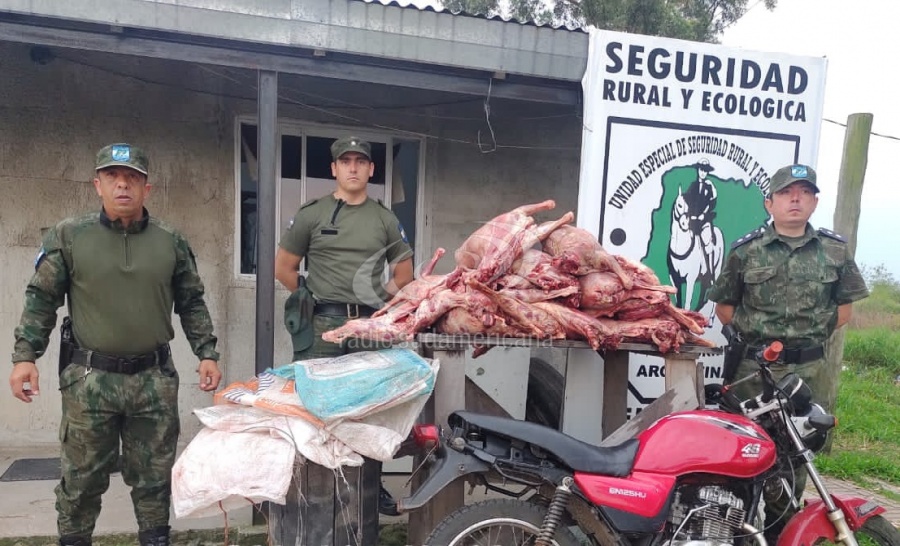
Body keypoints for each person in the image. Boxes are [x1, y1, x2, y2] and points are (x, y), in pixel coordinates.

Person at [8, 143, 223, 546]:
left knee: (154, 479)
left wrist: (206, 352)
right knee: (81, 480)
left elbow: (192, 301)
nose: (122, 184)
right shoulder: (69, 236)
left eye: (133, 178)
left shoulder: (171, 241)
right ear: (97, 184)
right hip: (90, 382)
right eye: (112, 176)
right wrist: (25, 357)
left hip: (153, 381)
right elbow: (41, 299)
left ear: (148, 189)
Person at [708, 163, 869, 542]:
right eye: (785, 192)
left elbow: (843, 310)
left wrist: (801, 342)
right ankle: (738, 533)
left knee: (797, 458)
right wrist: (764, 344)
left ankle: (783, 534)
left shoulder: (834, 250)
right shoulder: (745, 251)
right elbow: (725, 308)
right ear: (770, 202)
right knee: (746, 451)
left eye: (803, 192)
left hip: (807, 371)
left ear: (814, 201)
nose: (795, 198)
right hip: (752, 370)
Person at [274, 135, 414, 516]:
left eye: (360, 161)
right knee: (317, 408)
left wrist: (380, 303)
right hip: (321, 325)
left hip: (368, 325)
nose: (353, 167)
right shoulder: (312, 214)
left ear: (371, 169)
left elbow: (404, 273)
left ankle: (372, 486)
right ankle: (315, 491)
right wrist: (311, 299)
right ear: (334, 169)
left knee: (369, 408)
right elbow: (284, 268)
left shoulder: (384, 218)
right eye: (345, 161)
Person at [683, 158, 718, 277]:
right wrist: (691, 215)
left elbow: (712, 203)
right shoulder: (693, 186)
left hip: (705, 221)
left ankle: (710, 273)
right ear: (698, 170)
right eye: (701, 170)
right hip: (693, 221)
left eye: (705, 171)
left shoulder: (709, 187)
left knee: (708, 244)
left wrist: (703, 214)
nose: (703, 172)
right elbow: (687, 199)